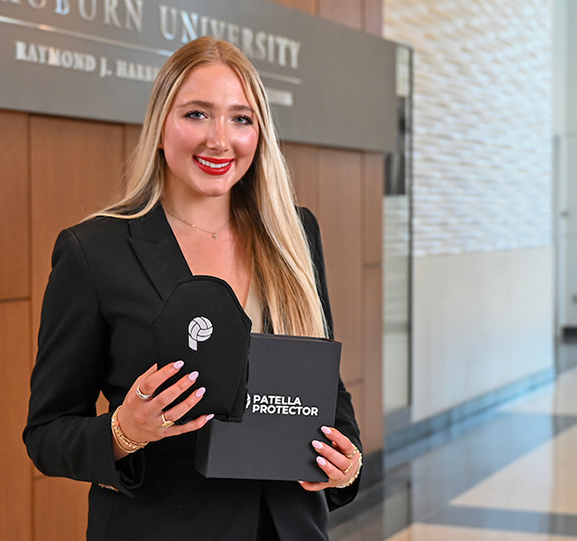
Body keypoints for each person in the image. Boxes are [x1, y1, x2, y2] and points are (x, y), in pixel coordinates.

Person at [24, 36, 362, 541]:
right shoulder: (94, 251)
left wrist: (346, 462)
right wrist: (124, 431)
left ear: (260, 133)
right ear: (160, 127)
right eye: (197, 114)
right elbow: (47, 433)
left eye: (241, 118)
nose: (220, 140)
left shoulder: (295, 232)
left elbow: (322, 386)